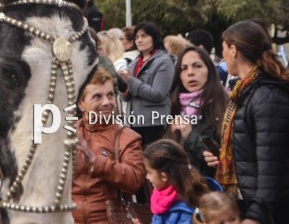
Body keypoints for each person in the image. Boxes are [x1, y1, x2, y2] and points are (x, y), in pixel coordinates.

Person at [205, 20, 289, 224]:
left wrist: (257, 215)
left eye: (223, 49)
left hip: (271, 212)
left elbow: (272, 164)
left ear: (233, 50)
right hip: (251, 203)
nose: (222, 57)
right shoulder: (245, 91)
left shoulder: (267, 96)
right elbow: (252, 150)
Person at [72, 68, 145, 224]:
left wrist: (97, 163)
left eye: (110, 95)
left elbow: (135, 181)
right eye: (97, 96)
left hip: (109, 219)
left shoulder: (127, 137)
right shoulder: (67, 133)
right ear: (81, 104)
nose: (107, 102)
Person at [164, 45, 228, 178]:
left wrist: (191, 135)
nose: (190, 73)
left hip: (209, 190)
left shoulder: (223, 106)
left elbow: (218, 155)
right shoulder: (175, 106)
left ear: (209, 70)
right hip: (181, 189)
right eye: (184, 68)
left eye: (197, 66)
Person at [117, 21, 175, 146]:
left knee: (153, 161)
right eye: (136, 37)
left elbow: (158, 94)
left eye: (144, 36)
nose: (139, 40)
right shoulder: (134, 62)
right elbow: (127, 97)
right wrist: (122, 87)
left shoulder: (164, 61)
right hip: (134, 122)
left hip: (154, 122)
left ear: (154, 37)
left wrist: (131, 80)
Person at [141, 139, 210, 224]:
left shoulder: (185, 213)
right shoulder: (160, 200)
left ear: (164, 176)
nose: (147, 177)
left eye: (149, 172)